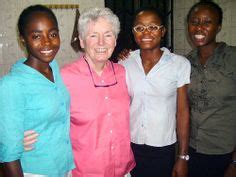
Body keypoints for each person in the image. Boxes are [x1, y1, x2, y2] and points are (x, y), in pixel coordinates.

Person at [23, 7, 135, 177]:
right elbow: (35, 113)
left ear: (115, 40)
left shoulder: (124, 72)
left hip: (123, 170)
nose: (101, 43)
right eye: (93, 36)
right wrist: (18, 134)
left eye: (108, 35)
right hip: (84, 172)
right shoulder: (64, 77)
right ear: (82, 42)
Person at [0, 4, 74, 177]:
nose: (47, 42)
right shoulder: (12, 84)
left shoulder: (54, 68)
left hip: (64, 166)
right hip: (36, 171)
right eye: (36, 36)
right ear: (23, 39)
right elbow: (9, 154)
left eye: (53, 34)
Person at [119, 7, 191, 177]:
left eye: (153, 27)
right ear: (133, 32)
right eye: (140, 28)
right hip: (130, 145)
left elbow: (182, 112)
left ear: (163, 31)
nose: (146, 32)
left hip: (163, 147)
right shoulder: (124, 63)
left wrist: (182, 156)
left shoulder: (179, 64)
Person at [186, 1, 236, 177]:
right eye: (194, 22)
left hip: (226, 153)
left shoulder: (232, 58)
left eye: (207, 22)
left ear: (219, 27)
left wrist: (235, 161)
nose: (199, 27)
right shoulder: (185, 63)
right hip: (193, 151)